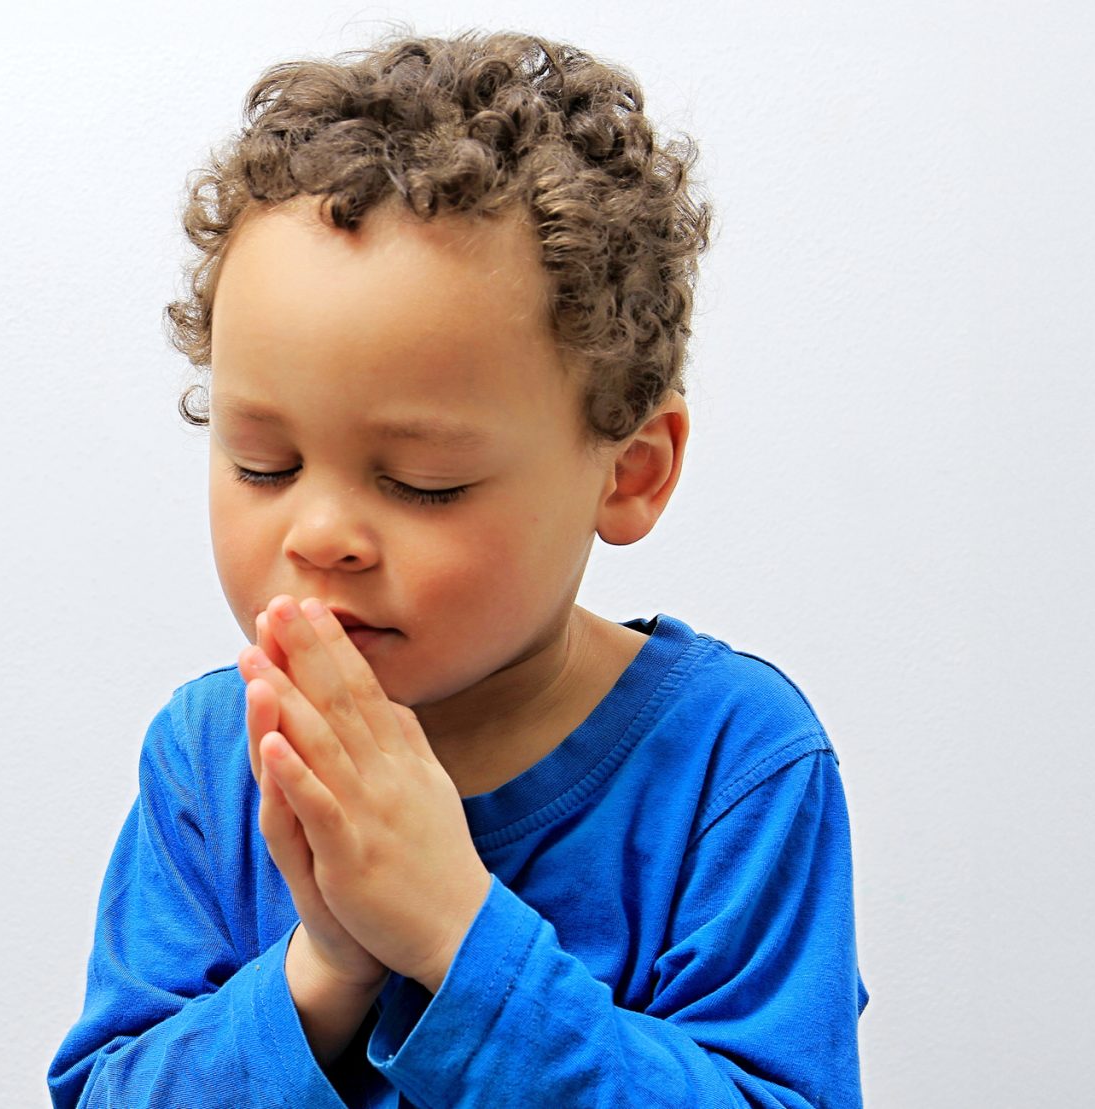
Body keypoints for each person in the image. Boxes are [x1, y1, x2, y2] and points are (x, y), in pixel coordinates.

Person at [49, 26, 868, 1108]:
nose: (321, 534)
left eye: (422, 481)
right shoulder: (211, 756)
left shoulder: (735, 761)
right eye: (263, 464)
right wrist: (325, 967)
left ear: (628, 471)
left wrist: (453, 932)